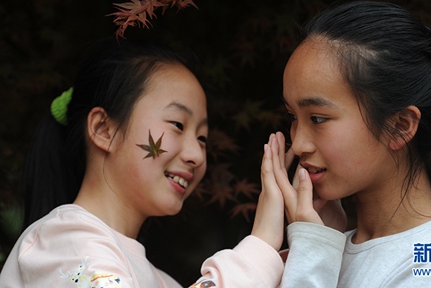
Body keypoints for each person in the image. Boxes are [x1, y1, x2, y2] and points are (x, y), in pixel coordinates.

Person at [0, 38, 286, 287]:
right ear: (103, 129)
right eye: (177, 124)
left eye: (202, 138)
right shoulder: (63, 245)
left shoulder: (156, 278)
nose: (197, 156)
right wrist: (259, 247)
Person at [262, 0, 431, 286]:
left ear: (399, 126)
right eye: (292, 116)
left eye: (318, 118)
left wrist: (312, 252)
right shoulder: (327, 246)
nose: (298, 144)